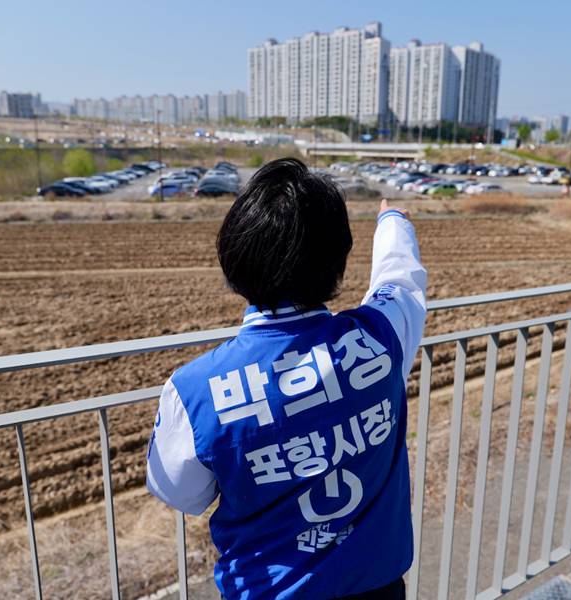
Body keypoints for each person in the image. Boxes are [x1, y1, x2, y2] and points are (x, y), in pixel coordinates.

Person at [146, 158, 427, 599]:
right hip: (379, 587)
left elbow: (182, 494)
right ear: (336, 264)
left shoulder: (194, 392)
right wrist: (393, 222)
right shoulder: (380, 339)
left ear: (234, 259)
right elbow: (401, 284)